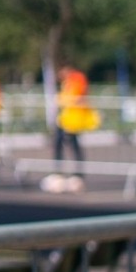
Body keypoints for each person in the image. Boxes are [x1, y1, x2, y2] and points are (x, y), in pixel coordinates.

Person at [44, 62, 100, 193]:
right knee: (59, 143)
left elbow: (75, 97)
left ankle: (78, 175)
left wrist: (61, 100)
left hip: (75, 119)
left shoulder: (77, 78)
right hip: (66, 118)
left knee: (74, 145)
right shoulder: (69, 80)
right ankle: (58, 172)